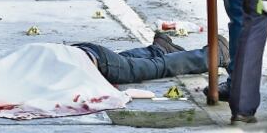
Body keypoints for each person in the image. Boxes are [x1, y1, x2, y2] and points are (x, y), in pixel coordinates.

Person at [74, 32, 230, 85]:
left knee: (157, 67)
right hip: (84, 53)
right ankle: (159, 49)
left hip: (93, 62)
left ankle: (212, 56)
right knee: (124, 61)